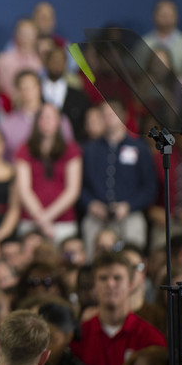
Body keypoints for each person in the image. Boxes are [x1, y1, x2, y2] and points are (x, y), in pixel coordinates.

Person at [79, 101, 157, 259]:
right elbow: (79, 186)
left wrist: (128, 206)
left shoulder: (139, 148)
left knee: (132, 249)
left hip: (130, 213)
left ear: (123, 116)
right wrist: (91, 204)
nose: (108, 119)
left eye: (112, 114)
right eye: (104, 115)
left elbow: (150, 188)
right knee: (90, 245)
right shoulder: (89, 149)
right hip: (97, 213)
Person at [70, 252, 166, 365]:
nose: (110, 284)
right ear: (94, 285)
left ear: (131, 284)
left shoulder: (150, 338)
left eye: (117, 278)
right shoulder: (79, 338)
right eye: (103, 278)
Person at [15, 104, 82, 244]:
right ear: (37, 121)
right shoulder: (24, 149)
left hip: (64, 221)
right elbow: (24, 189)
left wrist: (46, 218)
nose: (47, 121)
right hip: (30, 220)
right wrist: (42, 220)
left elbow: (73, 190)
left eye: (51, 117)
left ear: (58, 121)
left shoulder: (71, 149)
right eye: (43, 117)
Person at [141, 0, 182, 78]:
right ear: (154, 16)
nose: (166, 19)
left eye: (169, 15)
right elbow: (138, 72)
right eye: (163, 15)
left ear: (176, 17)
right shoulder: (144, 43)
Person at [0, 18, 43, 99]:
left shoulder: (41, 62)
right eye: (23, 33)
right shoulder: (3, 60)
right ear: (16, 35)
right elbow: (2, 89)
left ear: (36, 36)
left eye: (30, 33)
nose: (26, 37)